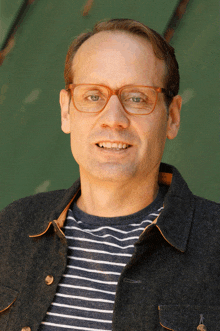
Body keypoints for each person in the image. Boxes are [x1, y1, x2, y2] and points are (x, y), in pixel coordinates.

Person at [0, 18, 219, 331]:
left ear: (171, 117)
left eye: (136, 97)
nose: (113, 119)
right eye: (93, 96)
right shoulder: (11, 229)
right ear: (66, 111)